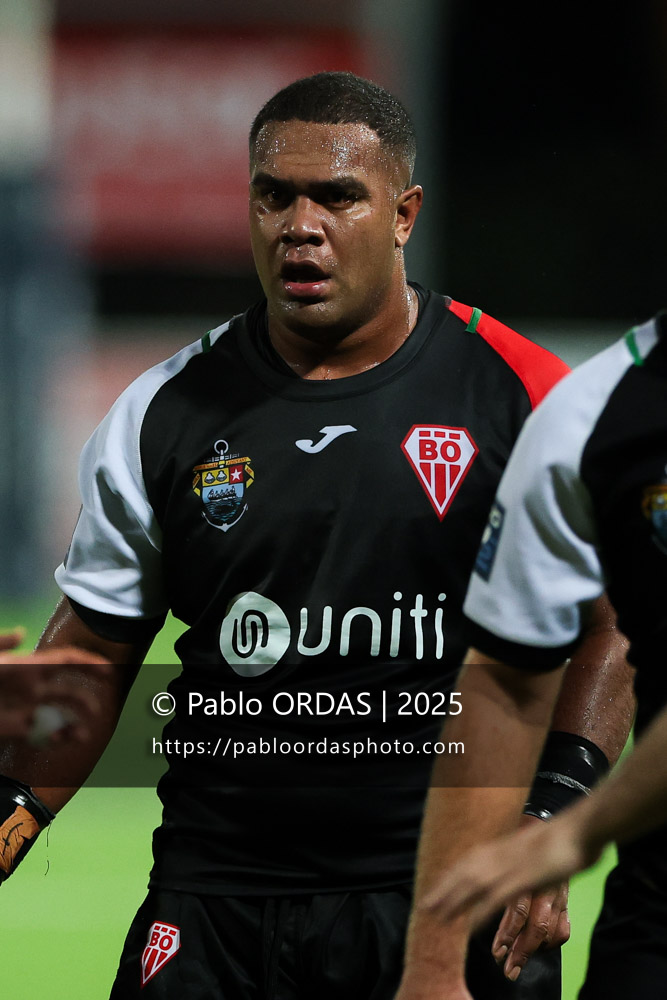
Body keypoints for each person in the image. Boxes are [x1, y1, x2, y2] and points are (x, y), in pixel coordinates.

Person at [0, 72, 632, 999]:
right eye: (274, 196)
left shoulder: (524, 396)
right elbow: (96, 648)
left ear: (404, 214)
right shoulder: (161, 411)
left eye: (337, 197)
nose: (300, 225)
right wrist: (13, 811)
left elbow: (614, 619)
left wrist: (553, 815)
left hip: (449, 898)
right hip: (213, 905)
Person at [395, 314, 667, 999]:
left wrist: (571, 829)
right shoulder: (587, 416)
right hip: (655, 908)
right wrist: (435, 964)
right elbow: (507, 681)